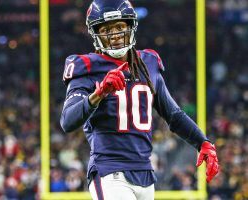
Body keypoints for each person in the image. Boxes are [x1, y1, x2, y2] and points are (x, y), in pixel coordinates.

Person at [60, 0, 219, 199]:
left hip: (145, 175)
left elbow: (173, 114)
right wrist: (98, 95)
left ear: (130, 27)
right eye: (107, 29)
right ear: (96, 34)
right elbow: (67, 121)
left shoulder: (148, 64)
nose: (115, 34)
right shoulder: (87, 67)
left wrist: (202, 142)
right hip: (110, 173)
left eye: (120, 27)